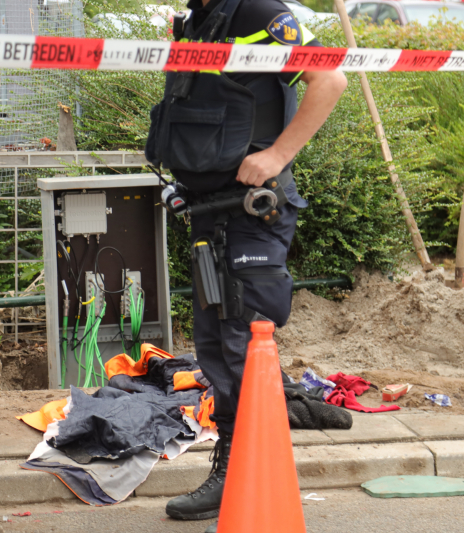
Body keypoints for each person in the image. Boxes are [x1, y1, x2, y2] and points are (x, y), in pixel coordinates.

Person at [145, 0, 347, 528]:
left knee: (237, 339)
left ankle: (243, 476)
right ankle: (239, 470)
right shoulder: (196, 19)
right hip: (211, 209)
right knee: (216, 343)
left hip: (253, 211)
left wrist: (277, 156)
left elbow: (330, 80)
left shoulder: (259, 11)